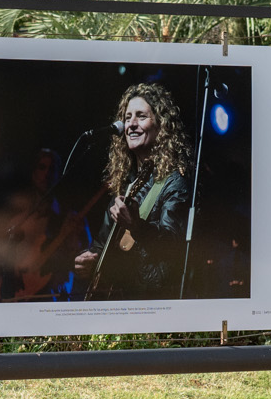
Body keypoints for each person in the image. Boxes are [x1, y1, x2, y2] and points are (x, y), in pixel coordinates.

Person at [73, 84, 192, 300]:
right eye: (128, 117)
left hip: (151, 301)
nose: (131, 124)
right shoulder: (125, 184)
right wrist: (89, 259)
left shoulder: (174, 183)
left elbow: (173, 249)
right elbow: (101, 244)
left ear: (161, 126)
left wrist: (136, 227)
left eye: (141, 116)